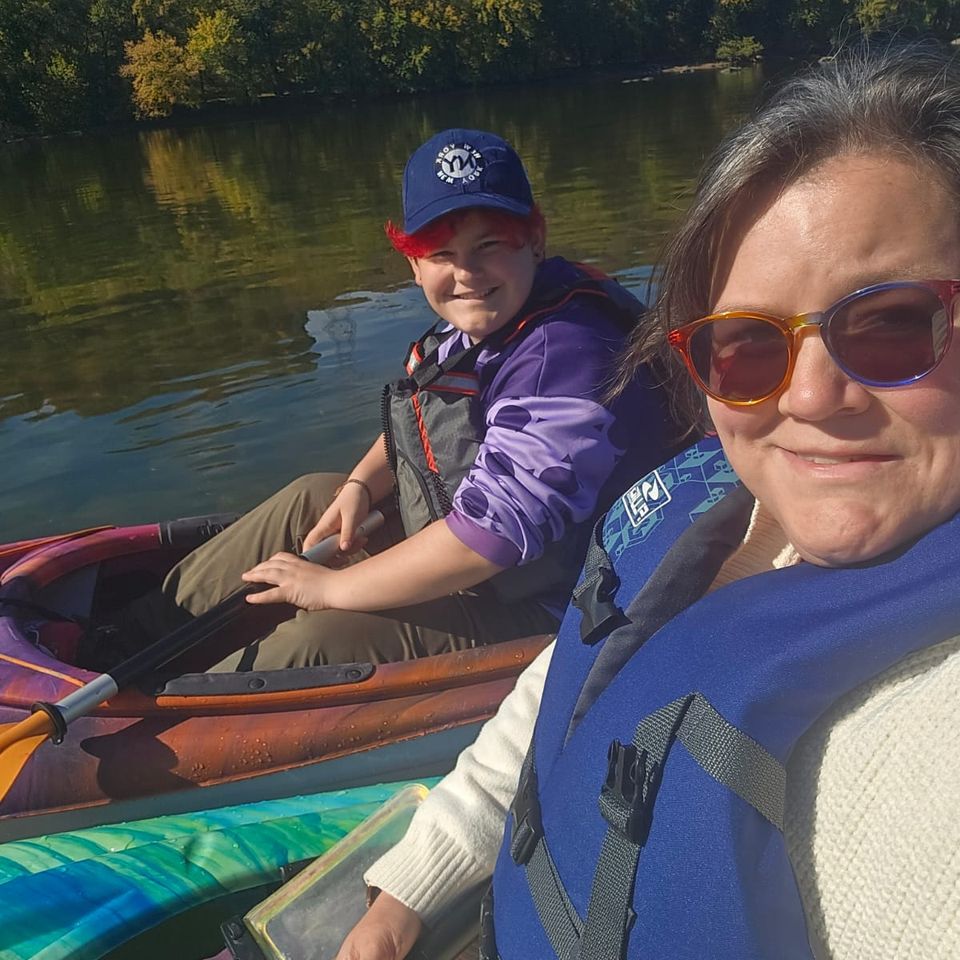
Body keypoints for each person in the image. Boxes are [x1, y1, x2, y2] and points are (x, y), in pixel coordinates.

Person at [335, 43, 960, 959]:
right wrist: (411, 887)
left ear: (534, 238)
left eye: (894, 323)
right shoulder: (714, 505)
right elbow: (567, 683)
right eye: (745, 346)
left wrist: (326, 591)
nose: (810, 397)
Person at [117, 128, 677, 671]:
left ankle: (168, 715)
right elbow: (429, 422)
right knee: (315, 496)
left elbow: (489, 541)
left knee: (326, 633)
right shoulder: (490, 320)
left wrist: (332, 588)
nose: (466, 273)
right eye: (440, 253)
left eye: (489, 245)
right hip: (488, 564)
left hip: (556, 602)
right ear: (413, 264)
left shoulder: (567, 353)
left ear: (534, 239)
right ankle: (124, 642)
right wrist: (360, 485)